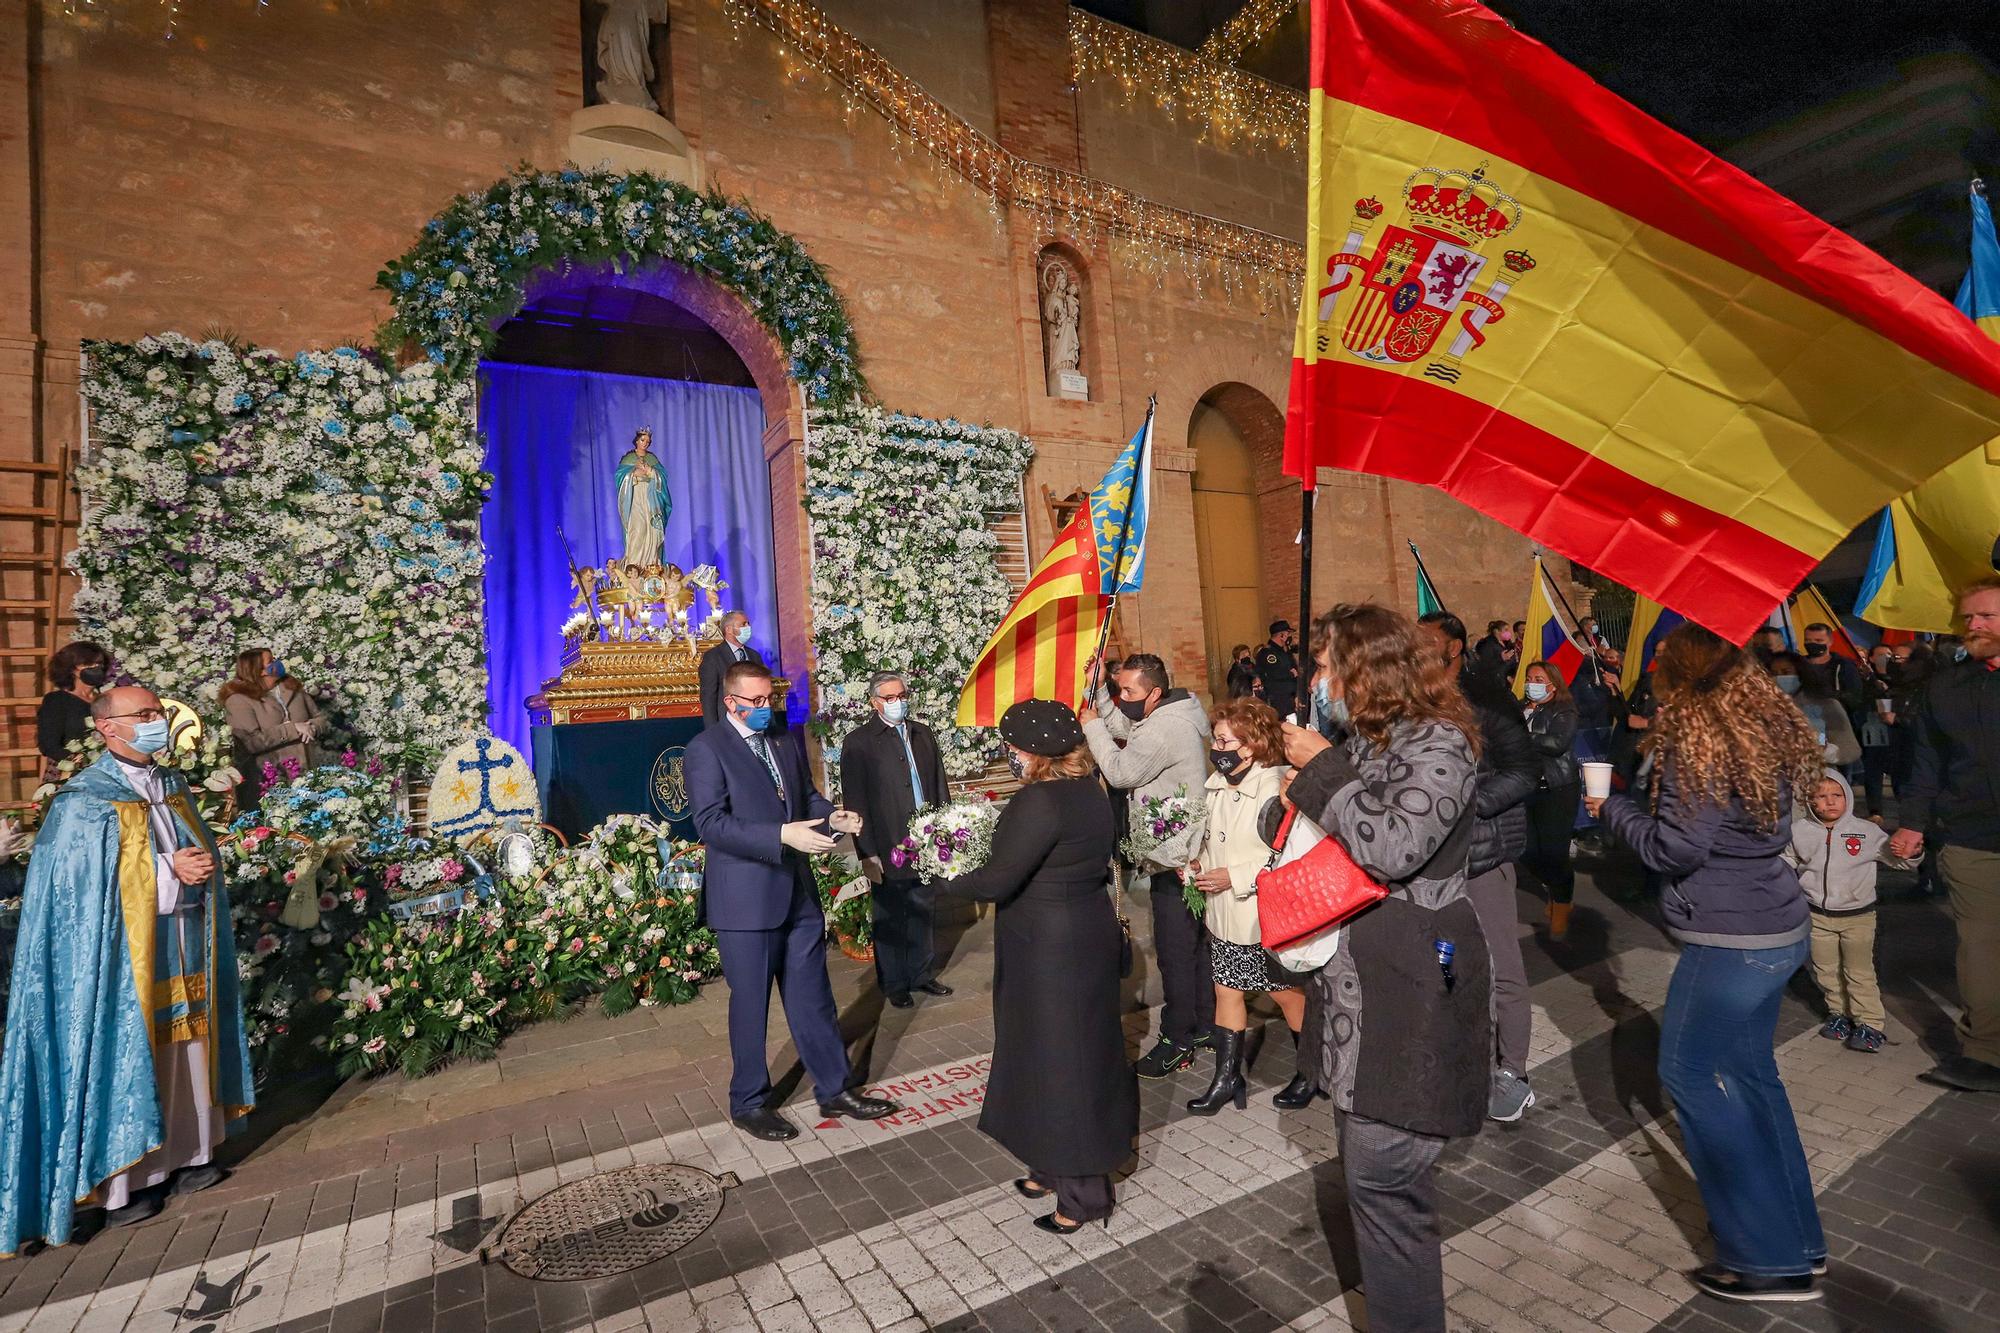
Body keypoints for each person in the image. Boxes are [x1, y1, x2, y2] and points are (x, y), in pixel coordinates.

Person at [1588, 623, 1827, 1303]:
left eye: (1661, 662)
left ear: (1683, 675)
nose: (1654, 670)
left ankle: (1764, 1258)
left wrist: (1613, 810)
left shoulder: (1701, 747)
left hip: (1731, 937)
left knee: (1688, 1072)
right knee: (1752, 1077)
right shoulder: (1754, 728)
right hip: (1774, 922)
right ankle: (1799, 1242)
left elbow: (1672, 849)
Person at [1278, 603, 1490, 1333]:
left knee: (1388, 1177)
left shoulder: (1439, 741)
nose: (1318, 678)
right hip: (1359, 986)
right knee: (1369, 1174)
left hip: (1413, 980)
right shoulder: (1369, 738)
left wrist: (1322, 770)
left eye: (1329, 665)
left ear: (1370, 671)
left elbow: (1395, 845)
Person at [0, 686, 255, 1251]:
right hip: (121, 963)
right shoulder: (83, 802)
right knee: (130, 1056)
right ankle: (126, 1186)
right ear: (107, 728)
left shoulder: (172, 784)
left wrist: (199, 864)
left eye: (157, 713)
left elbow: (185, 848)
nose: (155, 722)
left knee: (187, 1053)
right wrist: (168, 871)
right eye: (142, 715)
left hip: (185, 943)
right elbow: (78, 894)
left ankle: (189, 1157)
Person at [941, 701, 1136, 1233]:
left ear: (1031, 752)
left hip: (1054, 948)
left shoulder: (1041, 802)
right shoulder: (1087, 792)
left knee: (1064, 1062)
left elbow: (998, 879)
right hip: (1070, 937)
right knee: (1042, 1051)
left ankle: (1084, 1195)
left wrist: (936, 879)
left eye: (1013, 746)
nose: (1010, 754)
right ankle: (1049, 1164)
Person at [684, 660, 899, 1139]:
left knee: (813, 998)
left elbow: (804, 796)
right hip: (745, 899)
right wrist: (782, 835)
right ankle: (749, 1101)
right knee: (751, 1004)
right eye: (756, 702)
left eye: (770, 700)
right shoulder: (706, 750)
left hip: (796, 894)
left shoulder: (782, 738)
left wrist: (833, 818)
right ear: (730, 701)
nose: (766, 709)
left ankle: (836, 1087)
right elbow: (711, 825)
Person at [1418, 612, 1540, 1122]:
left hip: (1482, 858)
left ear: (1456, 647)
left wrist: (1470, 807)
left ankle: (1512, 1072)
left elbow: (1525, 769)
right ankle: (1462, 1054)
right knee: (1447, 964)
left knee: (1501, 969)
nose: (1417, 649)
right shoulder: (1411, 697)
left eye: (1428, 643)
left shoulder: (1488, 695)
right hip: (1432, 865)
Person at [1081, 652, 1214, 1078]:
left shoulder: (1165, 730)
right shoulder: (1171, 711)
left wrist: (1089, 725)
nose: (1125, 699)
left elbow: (1120, 770)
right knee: (1196, 949)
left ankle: (1178, 1038)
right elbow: (1124, 728)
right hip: (1180, 852)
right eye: (1121, 690)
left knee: (1176, 955)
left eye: (1130, 692)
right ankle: (1207, 1024)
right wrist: (1100, 690)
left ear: (1153, 693)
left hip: (1175, 857)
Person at [1893, 576, 2000, 1093]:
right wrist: (1913, 820)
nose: (1973, 627)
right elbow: (1927, 761)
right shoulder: (1947, 685)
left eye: (1986, 617)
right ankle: (1985, 1054)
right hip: (1971, 838)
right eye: (1968, 618)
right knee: (1980, 948)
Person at [1185, 698, 1303, 1114]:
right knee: (1226, 989)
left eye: (1223, 739)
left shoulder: (1274, 788)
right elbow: (1213, 839)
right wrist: (1199, 860)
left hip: (1261, 914)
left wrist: (1233, 875)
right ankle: (1227, 1078)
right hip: (1224, 913)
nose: (1215, 747)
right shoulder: (1218, 785)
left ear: (1250, 746)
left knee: (1285, 992)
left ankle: (1311, 1071)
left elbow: (1288, 853)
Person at [838, 671, 952, 1010]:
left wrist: (944, 833)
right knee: (890, 912)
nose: (897, 703)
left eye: (901, 695)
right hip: (887, 843)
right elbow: (856, 802)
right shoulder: (859, 742)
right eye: (889, 698)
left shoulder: (923, 734)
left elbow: (938, 784)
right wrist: (867, 854)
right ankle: (895, 982)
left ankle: (921, 973)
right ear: (875, 703)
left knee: (923, 907)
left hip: (926, 839)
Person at [1787, 770, 1918, 1055]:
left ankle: (1870, 1023)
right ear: (1809, 801)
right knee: (1826, 969)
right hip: (1816, 916)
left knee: (1859, 971)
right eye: (1821, 797)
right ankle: (1839, 1014)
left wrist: (1910, 853)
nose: (1830, 802)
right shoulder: (1799, 831)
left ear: (1847, 795)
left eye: (1837, 795)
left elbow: (1896, 860)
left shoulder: (1867, 832)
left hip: (1858, 917)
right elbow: (1787, 860)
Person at [1520, 660, 1580, 940]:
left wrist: (1523, 734)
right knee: (1528, 850)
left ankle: (1562, 903)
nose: (1532, 682)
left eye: (1538, 678)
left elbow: (1557, 744)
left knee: (1555, 852)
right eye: (1529, 677)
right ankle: (1555, 890)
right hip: (1527, 787)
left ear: (1552, 684)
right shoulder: (1522, 709)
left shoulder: (1564, 709)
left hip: (1557, 787)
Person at [219, 649, 327, 806]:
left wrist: (313, 727)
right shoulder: (238, 700)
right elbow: (250, 742)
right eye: (270, 661)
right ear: (258, 670)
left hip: (307, 774)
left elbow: (320, 719)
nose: (276, 662)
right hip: (270, 782)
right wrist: (293, 729)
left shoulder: (292, 687)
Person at [1767, 651, 1859, 767]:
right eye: (1774, 673)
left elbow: (1848, 749)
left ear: (1800, 674)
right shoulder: (1764, 706)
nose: (1779, 677)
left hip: (1816, 774)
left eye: (1786, 672)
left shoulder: (1825, 705)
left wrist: (1824, 748)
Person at [36, 640, 110, 771]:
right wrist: (82, 762)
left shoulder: (108, 698)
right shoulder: (57, 701)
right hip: (73, 771)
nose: (96, 668)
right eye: (89, 664)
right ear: (71, 669)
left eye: (99, 664)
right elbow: (48, 744)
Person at [614, 426, 670, 568]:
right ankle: (634, 567)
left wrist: (651, 471)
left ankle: (651, 565)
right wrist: (633, 474)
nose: (645, 443)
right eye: (643, 440)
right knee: (638, 530)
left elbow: (662, 476)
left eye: (648, 441)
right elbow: (619, 476)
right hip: (635, 496)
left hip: (651, 498)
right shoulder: (629, 458)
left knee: (652, 531)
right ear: (637, 441)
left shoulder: (652, 459)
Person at [699, 610, 764, 726]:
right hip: (728, 724)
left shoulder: (755, 656)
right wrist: (713, 730)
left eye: (748, 624)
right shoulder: (713, 657)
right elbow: (708, 697)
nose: (748, 627)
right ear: (728, 629)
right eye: (743, 624)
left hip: (755, 721)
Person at [1799, 623, 1865, 717]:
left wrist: (1828, 696)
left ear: (1830, 642)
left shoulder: (1844, 665)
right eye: (1808, 640)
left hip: (1837, 721)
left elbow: (1854, 697)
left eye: (1818, 640)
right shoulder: (1796, 664)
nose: (1812, 644)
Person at [1252, 621, 1300, 720]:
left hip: (1288, 698)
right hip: (1278, 700)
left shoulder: (1284, 652)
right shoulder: (1268, 653)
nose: (1288, 637)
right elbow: (1274, 673)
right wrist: (1290, 674)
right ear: (1281, 635)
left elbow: (1294, 669)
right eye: (1287, 634)